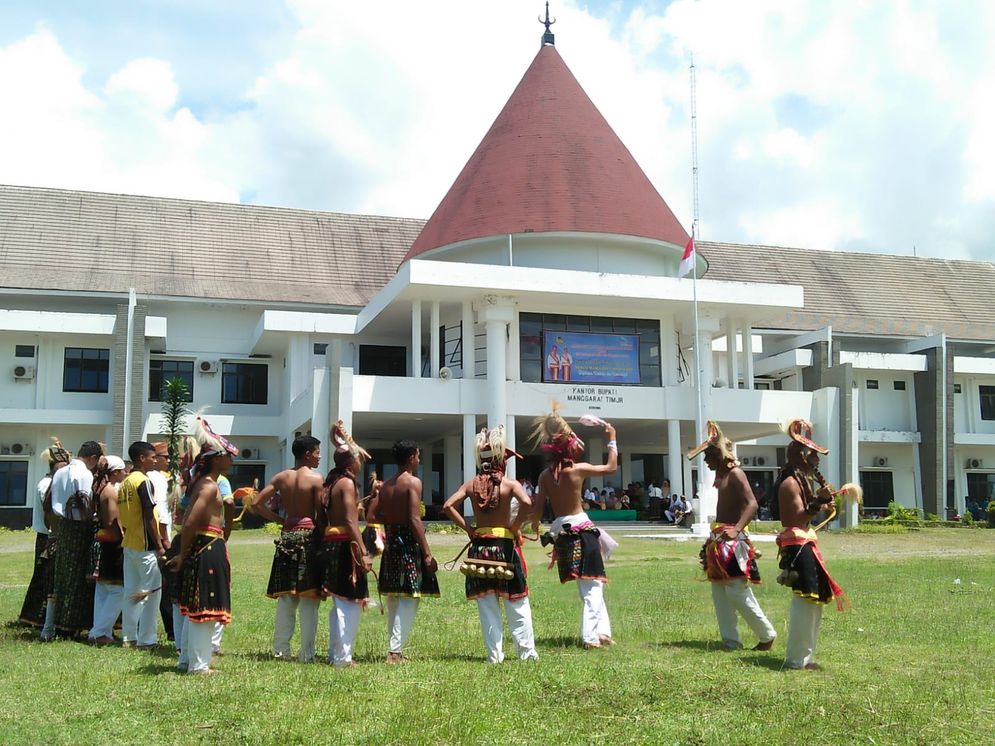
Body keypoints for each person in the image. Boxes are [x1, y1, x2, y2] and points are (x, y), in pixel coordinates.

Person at [443, 425, 539, 663]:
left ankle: (494, 656)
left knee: (487, 605)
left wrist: (470, 530)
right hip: (505, 548)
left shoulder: (470, 484)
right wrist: (515, 527)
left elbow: (447, 506)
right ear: (500, 461)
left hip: (479, 549)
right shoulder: (510, 484)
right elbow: (527, 503)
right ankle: (527, 654)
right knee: (516, 601)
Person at [530, 408, 618, 649]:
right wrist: (612, 438)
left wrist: (533, 526)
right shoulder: (577, 471)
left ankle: (603, 632)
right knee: (593, 585)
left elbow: (538, 510)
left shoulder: (545, 477)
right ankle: (591, 636)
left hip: (564, 535)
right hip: (582, 531)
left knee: (590, 585)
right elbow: (611, 468)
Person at [688, 421, 776, 651]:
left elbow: (752, 505)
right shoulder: (721, 475)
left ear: (718, 453)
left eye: (708, 456)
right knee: (719, 592)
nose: (705, 461)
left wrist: (736, 529)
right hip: (719, 540)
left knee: (736, 591)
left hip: (733, 542)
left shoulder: (736, 474)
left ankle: (767, 635)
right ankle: (731, 641)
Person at [774, 418, 852, 670]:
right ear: (803, 456)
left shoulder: (800, 481)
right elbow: (796, 518)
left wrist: (820, 504)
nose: (818, 461)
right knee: (806, 599)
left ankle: (804, 657)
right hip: (797, 546)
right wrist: (817, 503)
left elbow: (805, 516)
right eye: (814, 456)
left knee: (813, 600)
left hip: (804, 543)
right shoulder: (789, 483)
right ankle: (797, 659)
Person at [247, 434, 325, 663]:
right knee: (310, 597)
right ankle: (307, 653)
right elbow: (321, 514)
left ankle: (281, 650)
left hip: (287, 536)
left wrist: (281, 521)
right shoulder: (316, 479)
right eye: (318, 452)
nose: (319, 456)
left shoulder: (282, 477)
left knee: (286, 598)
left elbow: (256, 504)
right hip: (309, 536)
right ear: (308, 453)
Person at [170, 417, 238, 674]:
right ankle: (198, 665)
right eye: (227, 456)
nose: (231, 460)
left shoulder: (203, 483)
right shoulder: (209, 487)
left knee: (192, 606)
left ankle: (188, 659)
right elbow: (190, 523)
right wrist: (184, 553)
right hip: (205, 546)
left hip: (205, 545)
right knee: (203, 607)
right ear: (215, 459)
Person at [377, 439, 440, 663]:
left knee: (395, 596)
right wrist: (427, 552)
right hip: (406, 542)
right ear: (412, 457)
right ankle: (394, 651)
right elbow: (414, 519)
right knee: (411, 597)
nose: (419, 458)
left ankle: (394, 649)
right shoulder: (413, 482)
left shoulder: (386, 485)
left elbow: (375, 515)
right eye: (418, 455)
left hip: (391, 539)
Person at [320, 422, 375, 667]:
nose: (360, 464)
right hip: (345, 545)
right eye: (358, 460)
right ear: (351, 463)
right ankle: (343, 657)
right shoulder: (347, 483)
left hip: (333, 543)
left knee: (340, 604)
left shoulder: (332, 481)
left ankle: (337, 654)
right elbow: (351, 522)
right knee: (348, 604)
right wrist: (363, 551)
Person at [41, 440, 103, 640]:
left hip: (61, 526)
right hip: (79, 527)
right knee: (77, 576)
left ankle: (57, 622)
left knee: (61, 575)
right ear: (93, 458)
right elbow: (84, 501)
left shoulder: (60, 472)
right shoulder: (84, 473)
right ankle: (70, 624)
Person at [118, 441, 167, 649]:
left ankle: (129, 637)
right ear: (142, 459)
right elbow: (149, 514)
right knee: (152, 593)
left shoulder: (125, 481)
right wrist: (160, 544)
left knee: (131, 591)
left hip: (129, 544)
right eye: (152, 456)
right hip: (145, 545)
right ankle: (147, 639)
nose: (155, 460)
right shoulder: (143, 481)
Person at [19, 439, 71, 628]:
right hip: (47, 536)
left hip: (46, 535)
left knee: (44, 576)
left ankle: (34, 616)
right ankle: (35, 617)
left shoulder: (51, 482)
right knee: (44, 576)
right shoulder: (48, 484)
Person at [88, 455, 128, 645]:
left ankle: (100, 630)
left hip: (104, 540)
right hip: (113, 542)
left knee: (103, 588)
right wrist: (123, 538)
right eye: (122, 470)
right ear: (115, 472)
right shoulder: (110, 491)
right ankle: (100, 631)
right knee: (117, 589)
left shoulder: (100, 489)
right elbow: (113, 521)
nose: (125, 473)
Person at [148, 442, 174, 642]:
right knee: (165, 586)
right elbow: (160, 513)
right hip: (160, 536)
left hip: (149, 536)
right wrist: (164, 541)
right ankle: (171, 630)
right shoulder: (157, 478)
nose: (168, 461)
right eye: (165, 457)